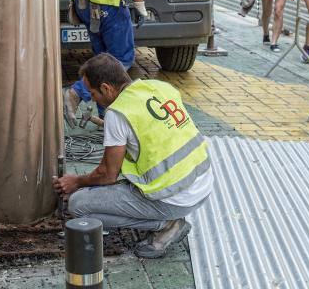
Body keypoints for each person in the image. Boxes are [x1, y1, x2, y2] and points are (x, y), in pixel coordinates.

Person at [53, 53, 212, 259]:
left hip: (176, 198)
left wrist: (77, 181)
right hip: (201, 182)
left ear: (106, 88)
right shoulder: (159, 87)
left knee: (79, 205)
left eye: (93, 94)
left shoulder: (118, 114)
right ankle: (165, 217)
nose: (92, 99)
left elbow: (107, 175)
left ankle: (168, 224)